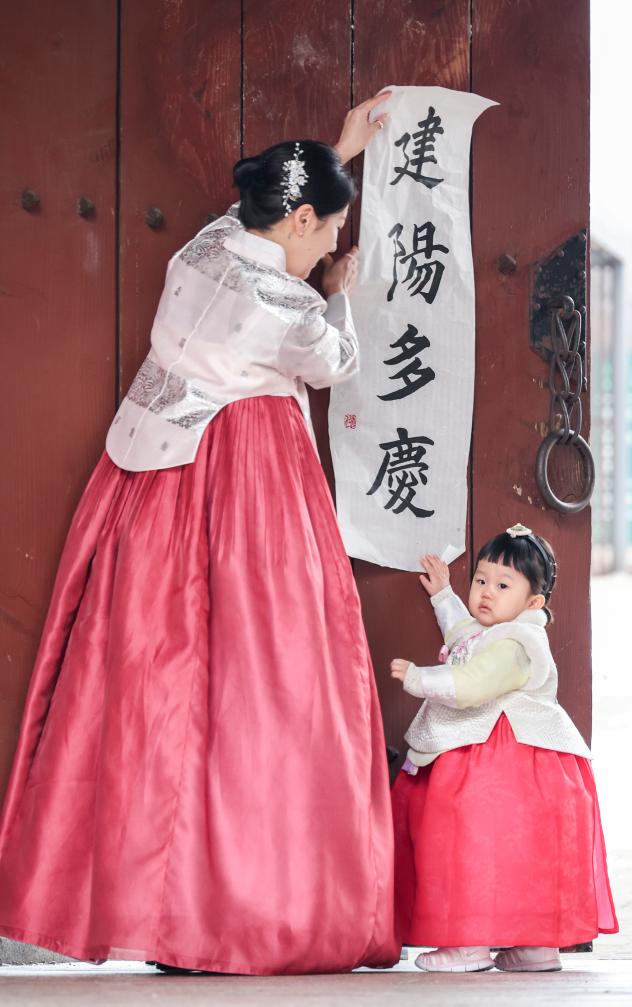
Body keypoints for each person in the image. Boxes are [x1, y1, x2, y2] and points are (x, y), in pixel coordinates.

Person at [0, 93, 401, 975]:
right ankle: (255, 903)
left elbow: (247, 219)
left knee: (159, 687)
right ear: (300, 219)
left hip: (156, 480)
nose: (329, 247)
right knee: (266, 684)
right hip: (250, 485)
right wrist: (336, 297)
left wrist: (334, 154)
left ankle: (162, 907)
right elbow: (337, 364)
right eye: (326, 230)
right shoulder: (290, 309)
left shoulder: (205, 249)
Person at [390, 524, 618, 973]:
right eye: (480, 581)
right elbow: (465, 637)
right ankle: (535, 946)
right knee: (523, 856)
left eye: (501, 585)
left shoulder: (518, 643)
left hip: (496, 767)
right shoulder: (497, 633)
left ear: (534, 603)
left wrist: (420, 679)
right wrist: (443, 597)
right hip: (534, 768)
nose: (485, 593)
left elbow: (473, 681)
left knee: (469, 846)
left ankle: (467, 943)